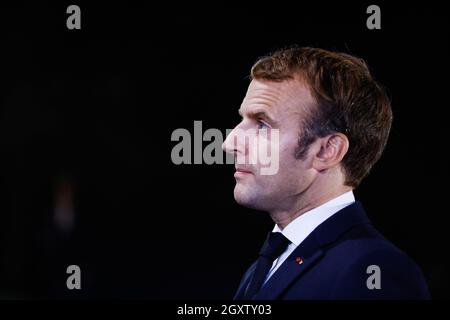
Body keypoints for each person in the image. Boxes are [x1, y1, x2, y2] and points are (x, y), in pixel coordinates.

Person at [222, 46, 430, 300]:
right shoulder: (262, 268)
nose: (230, 142)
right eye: (243, 120)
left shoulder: (374, 270)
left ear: (326, 151)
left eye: (263, 125)